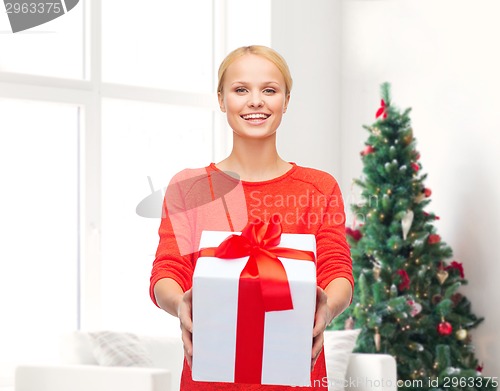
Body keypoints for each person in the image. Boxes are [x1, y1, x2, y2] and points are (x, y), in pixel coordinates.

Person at [150, 45, 354, 390]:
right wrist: (180, 304)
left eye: (269, 90)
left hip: (295, 375)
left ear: (286, 101)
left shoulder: (318, 187)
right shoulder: (191, 188)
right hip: (210, 376)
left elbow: (337, 270)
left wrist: (327, 309)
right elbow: (167, 270)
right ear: (221, 99)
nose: (256, 101)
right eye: (241, 89)